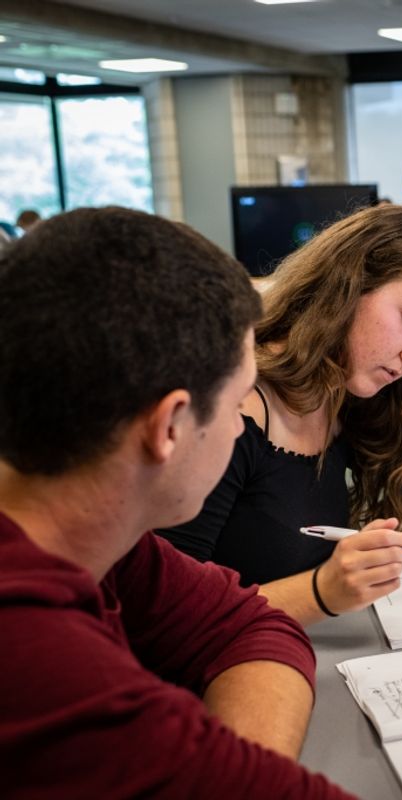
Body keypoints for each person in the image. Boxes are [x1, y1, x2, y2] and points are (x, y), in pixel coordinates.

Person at [0, 207, 353, 797]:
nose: (242, 431)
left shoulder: (102, 541)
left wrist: (232, 776)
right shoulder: (39, 666)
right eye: (239, 403)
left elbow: (253, 626)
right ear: (170, 426)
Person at [158, 203, 402, 625]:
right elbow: (165, 615)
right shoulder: (233, 413)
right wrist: (320, 592)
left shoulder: (351, 394)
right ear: (345, 289)